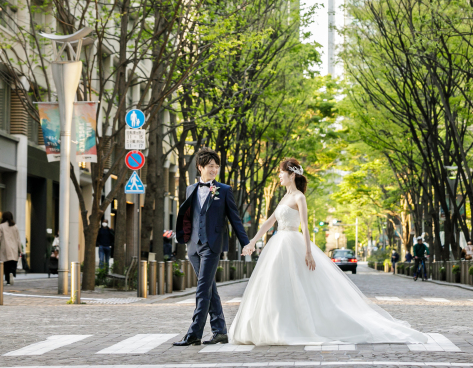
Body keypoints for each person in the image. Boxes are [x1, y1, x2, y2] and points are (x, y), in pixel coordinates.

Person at [230, 158, 428, 346]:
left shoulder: (299, 197)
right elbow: (270, 221)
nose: (279, 177)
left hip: (292, 242)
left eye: (281, 173)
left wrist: (308, 252)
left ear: (291, 175)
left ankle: (293, 326)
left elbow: (305, 227)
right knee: (274, 284)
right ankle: (271, 325)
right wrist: (252, 242)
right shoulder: (284, 197)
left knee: (297, 284)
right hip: (278, 243)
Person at [173, 147, 250, 347]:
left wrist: (246, 243)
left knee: (202, 289)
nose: (214, 170)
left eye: (216, 166)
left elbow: (235, 219)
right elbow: (188, 215)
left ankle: (194, 333)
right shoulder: (191, 189)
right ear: (200, 167)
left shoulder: (223, 190)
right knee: (209, 289)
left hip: (212, 245)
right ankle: (220, 332)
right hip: (193, 247)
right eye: (210, 166)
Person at [0, 211, 22, 286]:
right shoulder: (15, 226)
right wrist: (20, 250)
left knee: (6, 264)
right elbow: (18, 239)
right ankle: (12, 274)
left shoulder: (1, 226)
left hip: (5, 248)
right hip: (14, 248)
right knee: (13, 263)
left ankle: (7, 280)